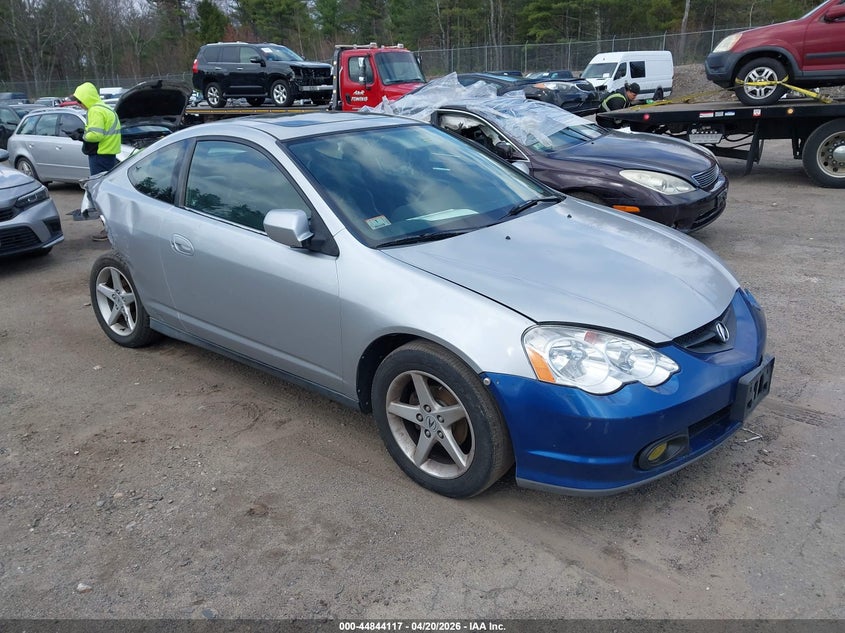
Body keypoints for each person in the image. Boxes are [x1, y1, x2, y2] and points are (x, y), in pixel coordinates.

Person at [72, 82, 122, 241]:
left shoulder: (95, 110)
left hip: (99, 156)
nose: (79, 105)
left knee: (100, 194)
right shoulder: (106, 108)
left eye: (79, 101)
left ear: (85, 99)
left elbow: (96, 135)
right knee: (110, 193)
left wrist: (82, 135)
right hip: (109, 155)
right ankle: (115, 227)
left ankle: (108, 229)